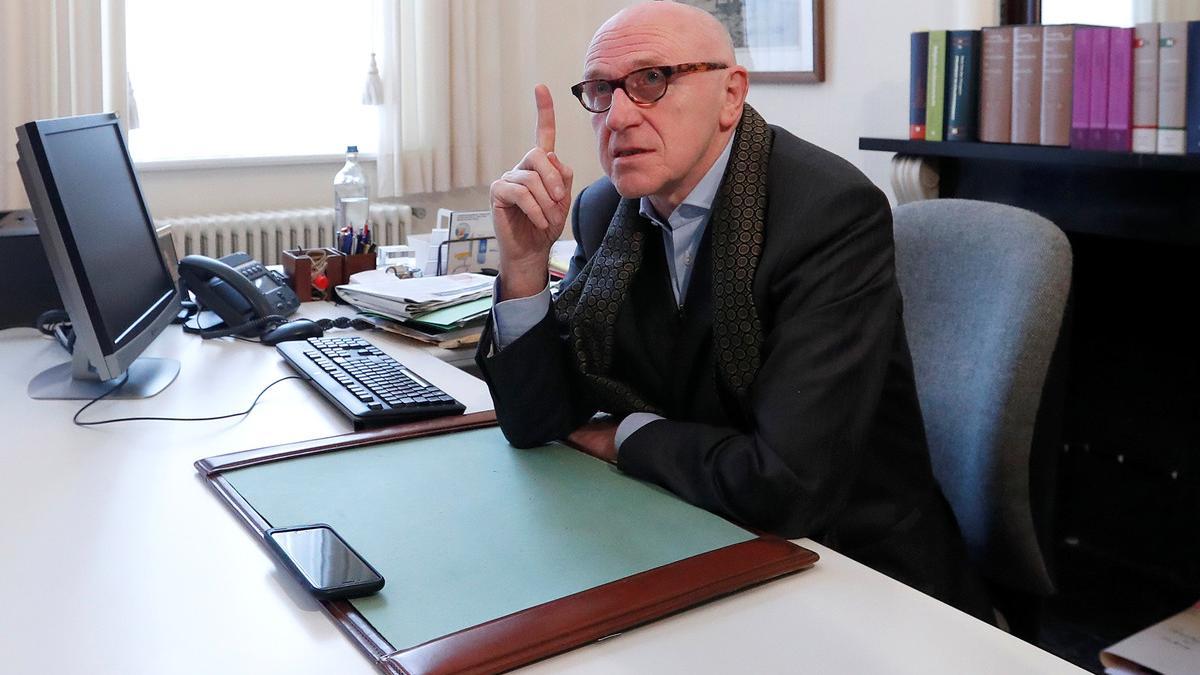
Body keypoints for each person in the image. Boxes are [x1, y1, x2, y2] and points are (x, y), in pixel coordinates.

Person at [476, 1, 992, 621]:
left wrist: (627, 436)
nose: (616, 116)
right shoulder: (602, 209)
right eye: (600, 90)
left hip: (849, 565)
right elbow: (538, 421)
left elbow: (786, 484)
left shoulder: (829, 214)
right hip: (685, 524)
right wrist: (526, 266)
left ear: (731, 95)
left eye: (651, 81)